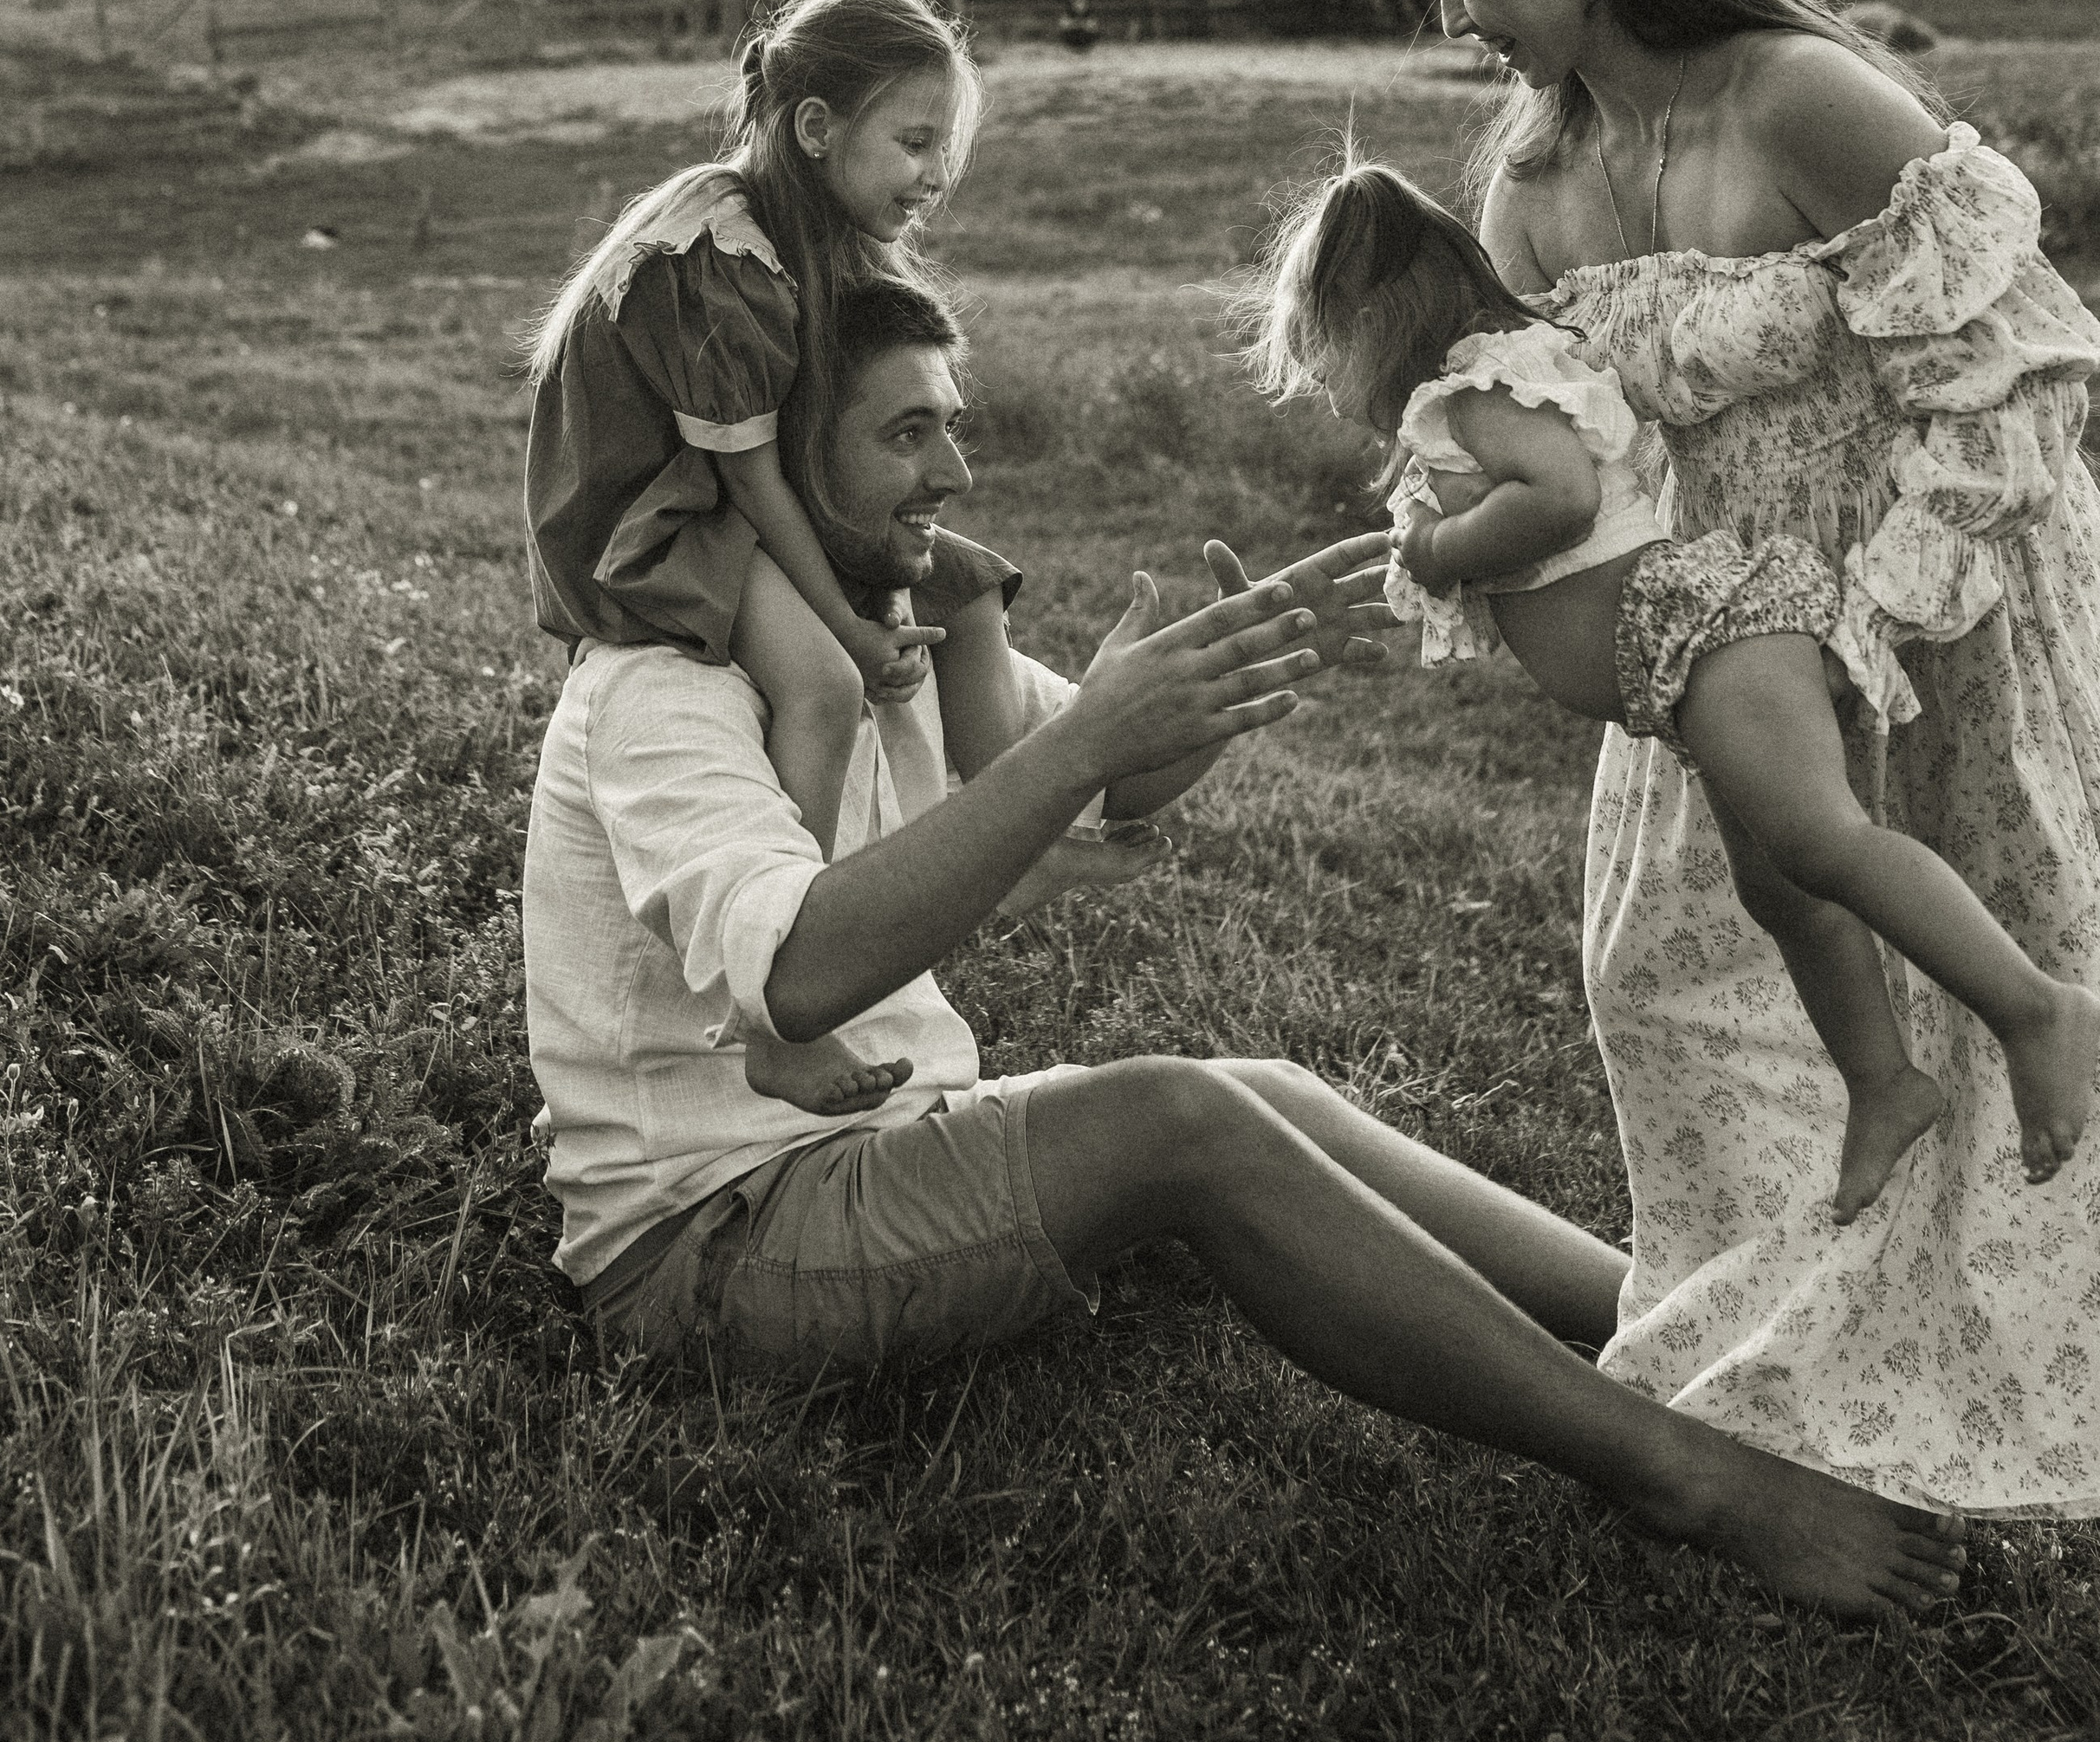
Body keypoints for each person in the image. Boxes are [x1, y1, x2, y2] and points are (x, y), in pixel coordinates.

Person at [519, 273, 1968, 1618]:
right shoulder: (660, 689)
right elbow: (801, 972)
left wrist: (1197, 693)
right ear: (779, 465)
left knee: (1257, 1082)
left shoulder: (875, 644)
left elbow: (1065, 798)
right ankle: (1682, 1473)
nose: (955, 474)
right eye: (907, 434)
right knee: (1181, 1119)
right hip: (711, 1255)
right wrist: (1093, 730)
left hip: (879, 1145)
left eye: (952, 429)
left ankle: (1694, 1340)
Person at [1392, 0, 2100, 1517]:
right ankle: (1787, 1340)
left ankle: (2002, 1329)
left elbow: (2007, 368)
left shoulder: (1800, 101)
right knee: (1673, 979)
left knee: (1959, 922)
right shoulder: (1534, 178)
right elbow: (1565, 435)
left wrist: (1889, 608)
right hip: (1708, 634)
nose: (1446, 10)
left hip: (1930, 581)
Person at [1241, 152, 2100, 1220]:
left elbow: (1554, 504)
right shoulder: (1492, 381)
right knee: (1777, 887)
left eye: (1321, 354)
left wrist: (1433, 549)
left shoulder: (1471, 394)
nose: (1325, 386)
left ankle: (2035, 1009)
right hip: (1680, 664)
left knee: (1821, 843)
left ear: (1375, 315)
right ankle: (1884, 1082)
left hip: (1701, 630)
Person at [525, 0, 1025, 1116]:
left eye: (943, 147)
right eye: (912, 142)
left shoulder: (790, 236)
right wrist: (842, 621)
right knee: (824, 690)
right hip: (650, 517)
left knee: (962, 584)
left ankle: (1040, 816)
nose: (935, 176)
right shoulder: (730, 259)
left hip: (705, 496)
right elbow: (748, 478)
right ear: (814, 128)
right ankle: (783, 1007)